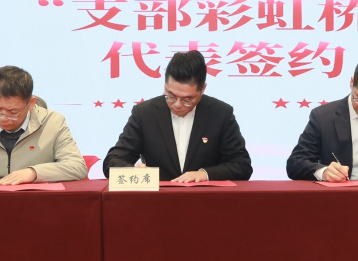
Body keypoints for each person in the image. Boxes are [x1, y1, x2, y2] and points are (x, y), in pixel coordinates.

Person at [103, 50, 252, 182]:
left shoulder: (220, 113)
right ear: (165, 85)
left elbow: (242, 165)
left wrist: (205, 174)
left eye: (187, 100)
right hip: (157, 200)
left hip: (205, 200)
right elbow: (112, 161)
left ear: (202, 89)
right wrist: (133, 172)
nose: (177, 104)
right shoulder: (145, 113)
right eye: (171, 96)